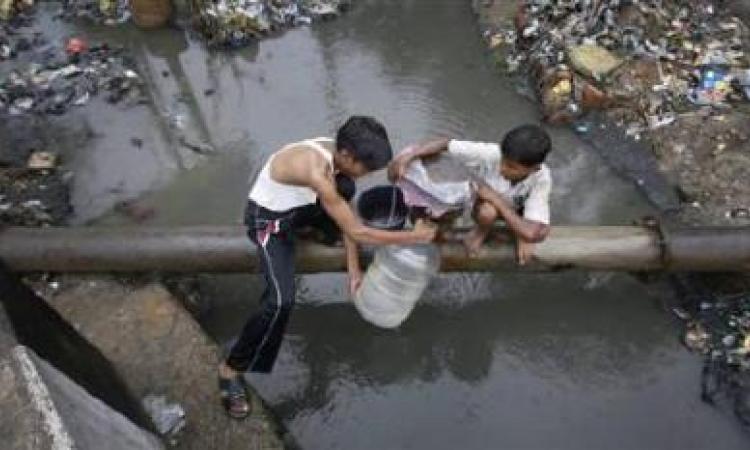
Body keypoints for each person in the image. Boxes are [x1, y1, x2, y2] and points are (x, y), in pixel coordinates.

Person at [219, 116, 436, 419]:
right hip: (268, 220)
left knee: (344, 188)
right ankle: (230, 372)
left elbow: (345, 214)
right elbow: (359, 232)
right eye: (366, 168)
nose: (366, 175)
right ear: (347, 155)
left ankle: (311, 230)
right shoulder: (315, 170)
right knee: (280, 302)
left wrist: (353, 269)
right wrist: (414, 236)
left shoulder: (335, 153)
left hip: (299, 208)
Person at [389, 124, 552, 264]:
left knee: (525, 230)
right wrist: (410, 156)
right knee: (487, 211)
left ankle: (505, 230)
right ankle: (482, 230)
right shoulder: (492, 153)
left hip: (514, 210)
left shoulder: (541, 178)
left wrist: (521, 232)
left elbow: (534, 233)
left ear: (534, 168)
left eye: (511, 167)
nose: (502, 168)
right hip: (485, 207)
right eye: (503, 161)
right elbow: (445, 143)